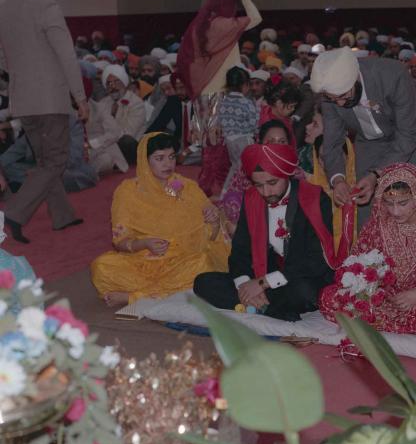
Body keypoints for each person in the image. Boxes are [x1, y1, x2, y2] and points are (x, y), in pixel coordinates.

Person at [194, 143, 343, 321]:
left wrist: (263, 283)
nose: (265, 192)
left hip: (299, 276)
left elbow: (316, 260)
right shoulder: (251, 198)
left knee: (306, 293)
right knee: (203, 283)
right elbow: (240, 251)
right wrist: (244, 287)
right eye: (259, 185)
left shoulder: (314, 198)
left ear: (286, 174)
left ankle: (262, 306)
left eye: (272, 183)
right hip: (263, 272)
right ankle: (265, 306)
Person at [319, 163, 416, 336]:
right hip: (387, 299)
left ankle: (380, 322)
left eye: (403, 203)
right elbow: (358, 264)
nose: (395, 211)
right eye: (388, 203)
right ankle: (391, 321)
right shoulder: (379, 224)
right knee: (328, 296)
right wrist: (372, 288)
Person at [0, 0, 89, 243]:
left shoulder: (5, 9)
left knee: (44, 160)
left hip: (23, 102)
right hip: (50, 100)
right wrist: (80, 98)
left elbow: (3, 57)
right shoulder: (47, 7)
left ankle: (62, 215)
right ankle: (13, 213)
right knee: (54, 162)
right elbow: (66, 55)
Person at [91, 133, 229, 307]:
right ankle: (165, 293)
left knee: (203, 267)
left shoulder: (180, 187)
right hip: (143, 261)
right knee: (101, 267)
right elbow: (121, 241)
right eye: (159, 158)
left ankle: (135, 297)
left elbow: (210, 235)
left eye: (171, 157)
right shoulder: (129, 191)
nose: (168, 164)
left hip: (183, 259)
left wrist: (214, 221)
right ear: (144, 160)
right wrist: (145, 243)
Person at [311, 47, 416, 224]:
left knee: (401, 193)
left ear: (355, 78)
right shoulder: (331, 96)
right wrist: (338, 180)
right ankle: (369, 251)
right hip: (370, 136)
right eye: (333, 99)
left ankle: (407, 248)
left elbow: (407, 135)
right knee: (364, 198)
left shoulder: (393, 75)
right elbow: (332, 143)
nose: (339, 103)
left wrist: (376, 175)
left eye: (343, 96)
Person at [178, 0, 262, 99]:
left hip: (202, 88)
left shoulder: (197, 27)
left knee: (201, 118)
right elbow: (256, 18)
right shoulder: (228, 25)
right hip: (224, 88)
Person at [91, 63, 147, 165]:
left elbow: (129, 133)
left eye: (116, 82)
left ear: (124, 83)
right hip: (108, 144)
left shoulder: (136, 103)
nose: (112, 86)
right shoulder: (102, 103)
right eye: (108, 83)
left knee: (126, 141)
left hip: (128, 147)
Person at [309, 134, 357, 253]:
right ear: (317, 160)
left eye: (336, 157)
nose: (330, 163)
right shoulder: (309, 191)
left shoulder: (364, 189)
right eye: (323, 158)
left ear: (348, 155)